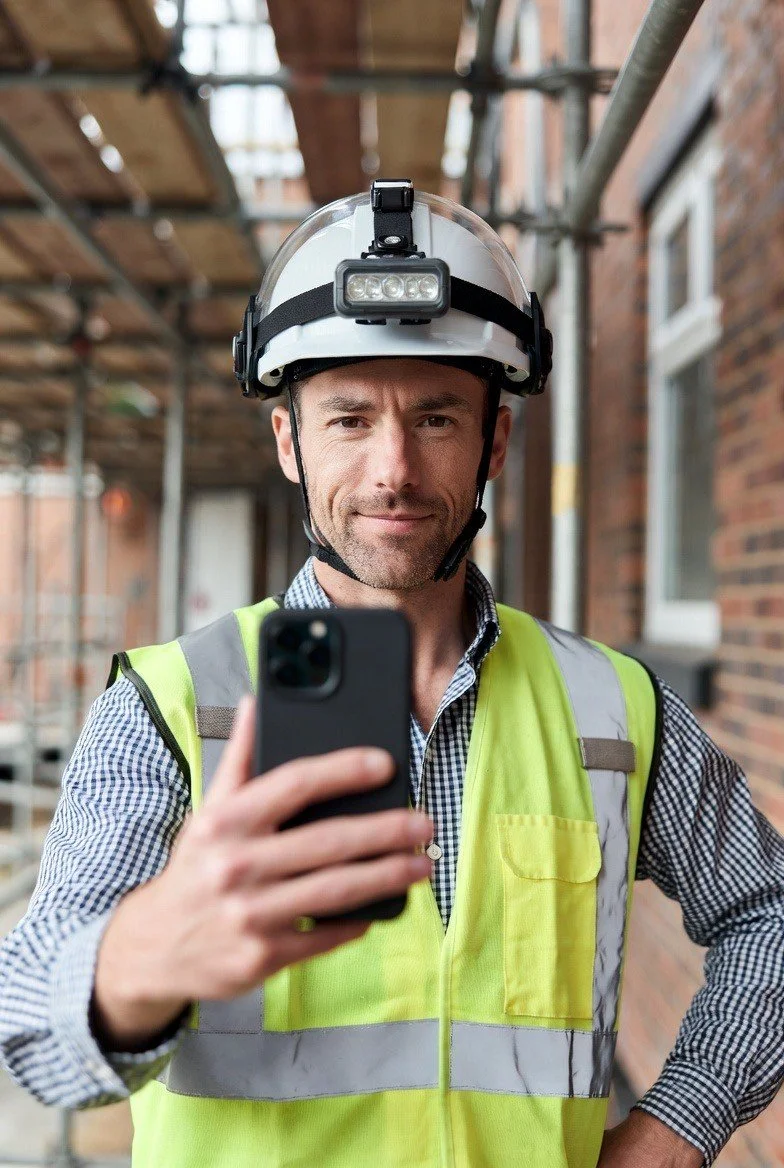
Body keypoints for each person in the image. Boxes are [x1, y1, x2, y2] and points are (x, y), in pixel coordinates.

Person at [1, 180, 783, 1168]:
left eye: (437, 419)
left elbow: (770, 911)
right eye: (348, 418)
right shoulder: (171, 708)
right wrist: (134, 960)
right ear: (288, 441)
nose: (393, 471)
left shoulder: (609, 707)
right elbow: (29, 1025)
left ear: (495, 439)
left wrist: (679, 1124)